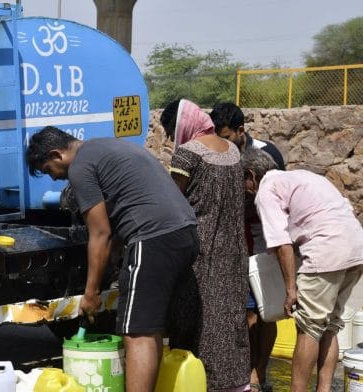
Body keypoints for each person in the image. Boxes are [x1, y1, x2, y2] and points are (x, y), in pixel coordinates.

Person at [25, 126, 199, 392]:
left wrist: (91, 292)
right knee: (153, 326)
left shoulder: (80, 167)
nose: (56, 178)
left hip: (152, 238)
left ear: (57, 154)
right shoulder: (110, 146)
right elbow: (119, 222)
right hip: (185, 232)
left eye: (50, 170)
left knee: (137, 332)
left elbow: (101, 233)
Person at [242, 147, 363, 392]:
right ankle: (324, 389)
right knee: (330, 325)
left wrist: (290, 289)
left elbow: (282, 245)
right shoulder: (303, 176)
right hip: (356, 250)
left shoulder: (266, 191)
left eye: (242, 180)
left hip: (326, 253)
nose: (243, 188)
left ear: (252, 175)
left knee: (308, 328)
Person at [160, 99, 250, 391]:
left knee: (197, 320)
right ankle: (235, 383)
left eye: (171, 132)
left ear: (181, 125)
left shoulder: (188, 155)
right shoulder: (234, 150)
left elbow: (173, 205)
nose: (173, 140)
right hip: (235, 254)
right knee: (229, 321)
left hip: (201, 254)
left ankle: (197, 381)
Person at [211, 102, 285, 392]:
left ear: (241, 131)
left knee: (268, 312)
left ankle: (261, 373)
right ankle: (246, 373)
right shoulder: (217, 154)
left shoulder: (269, 153)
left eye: (227, 136)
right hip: (235, 245)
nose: (223, 143)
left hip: (266, 244)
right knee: (246, 313)